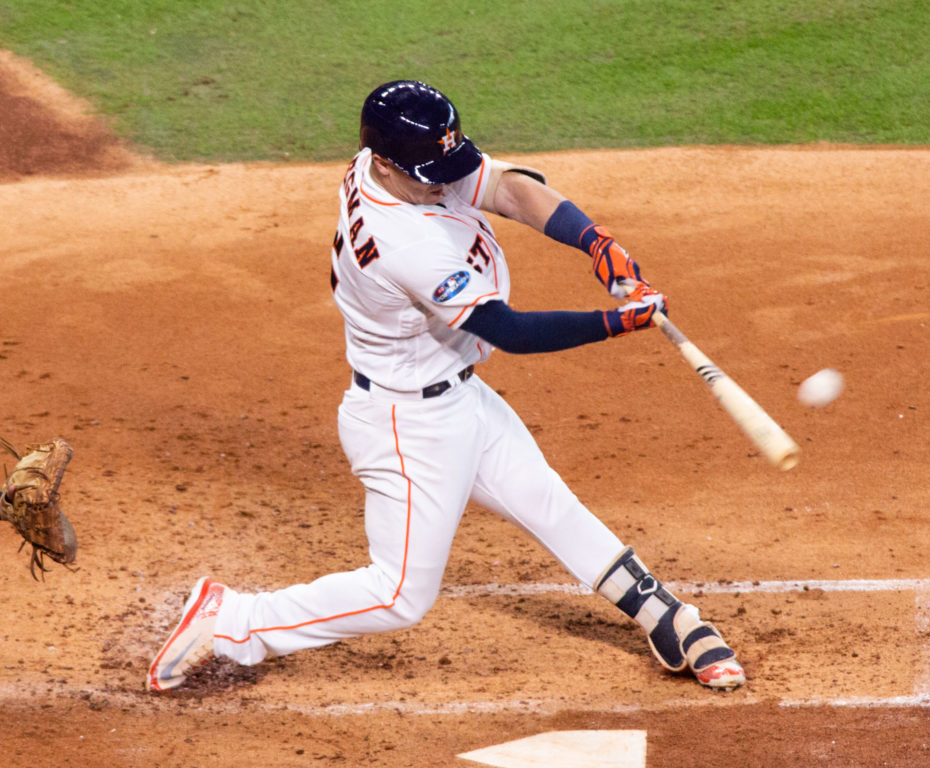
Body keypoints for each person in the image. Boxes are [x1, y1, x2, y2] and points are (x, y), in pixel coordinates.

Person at [148, 80, 745, 693]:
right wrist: (619, 321)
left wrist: (597, 243)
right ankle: (235, 622)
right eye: (430, 173)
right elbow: (506, 330)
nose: (444, 181)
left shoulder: (391, 163)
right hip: (408, 424)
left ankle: (664, 616)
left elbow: (507, 188)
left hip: (456, 395)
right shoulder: (402, 244)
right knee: (399, 595)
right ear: (384, 163)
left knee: (547, 502)